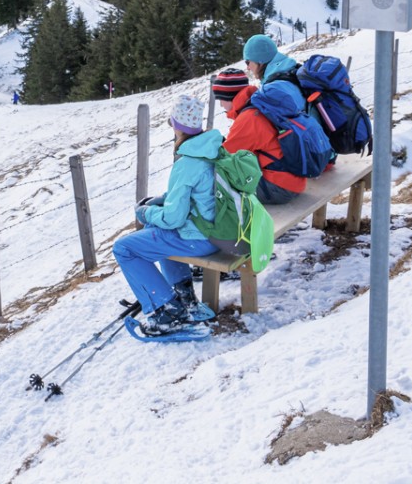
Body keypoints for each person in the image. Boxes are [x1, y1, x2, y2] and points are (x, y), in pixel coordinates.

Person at [112, 94, 220, 337]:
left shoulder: (188, 161)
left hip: (201, 238)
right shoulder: (211, 148)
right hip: (216, 230)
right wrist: (162, 201)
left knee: (124, 248)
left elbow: (174, 219)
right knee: (156, 233)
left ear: (177, 125)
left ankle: (168, 313)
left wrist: (146, 212)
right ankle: (184, 298)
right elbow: (194, 194)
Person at [222, 35, 307, 205]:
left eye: (248, 62)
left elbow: (227, 155)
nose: (247, 67)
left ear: (260, 61)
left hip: (286, 178)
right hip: (300, 164)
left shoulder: (274, 90)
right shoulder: (290, 72)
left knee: (225, 185)